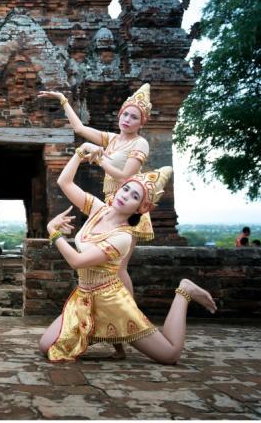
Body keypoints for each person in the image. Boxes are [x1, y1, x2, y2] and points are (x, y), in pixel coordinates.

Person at [39, 145, 217, 364]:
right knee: (46, 345)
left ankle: (184, 292)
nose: (126, 196)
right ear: (119, 188)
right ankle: (101, 337)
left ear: (140, 209)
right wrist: (80, 152)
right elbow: (64, 182)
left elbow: (76, 261)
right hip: (84, 297)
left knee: (169, 355)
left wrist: (53, 232)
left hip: (112, 302)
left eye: (135, 196)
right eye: (126, 189)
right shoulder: (98, 209)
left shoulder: (122, 237)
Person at [39, 83, 153, 358]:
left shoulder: (140, 143)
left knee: (118, 271)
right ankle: (111, 335)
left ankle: (127, 325)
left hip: (127, 207)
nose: (127, 120)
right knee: (97, 271)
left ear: (142, 121)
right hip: (104, 207)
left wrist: (99, 158)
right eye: (125, 114)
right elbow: (79, 129)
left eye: (133, 116)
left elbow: (127, 177)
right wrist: (64, 100)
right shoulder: (113, 139)